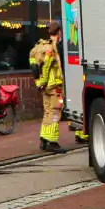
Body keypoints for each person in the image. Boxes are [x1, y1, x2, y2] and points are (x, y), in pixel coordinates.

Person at [30, 23, 68, 154]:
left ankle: (44, 139)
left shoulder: (41, 46)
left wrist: (38, 82)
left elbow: (33, 65)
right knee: (56, 112)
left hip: (46, 87)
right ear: (58, 32)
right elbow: (46, 66)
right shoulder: (52, 47)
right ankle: (52, 142)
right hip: (53, 86)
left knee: (47, 111)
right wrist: (42, 82)